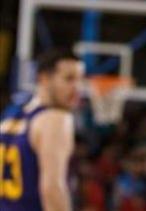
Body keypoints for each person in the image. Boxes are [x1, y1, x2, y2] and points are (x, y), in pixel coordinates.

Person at [0, 48, 84, 211]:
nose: (77, 88)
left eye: (80, 79)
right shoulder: (56, 119)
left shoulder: (10, 115)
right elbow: (52, 189)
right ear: (44, 79)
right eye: (69, 79)